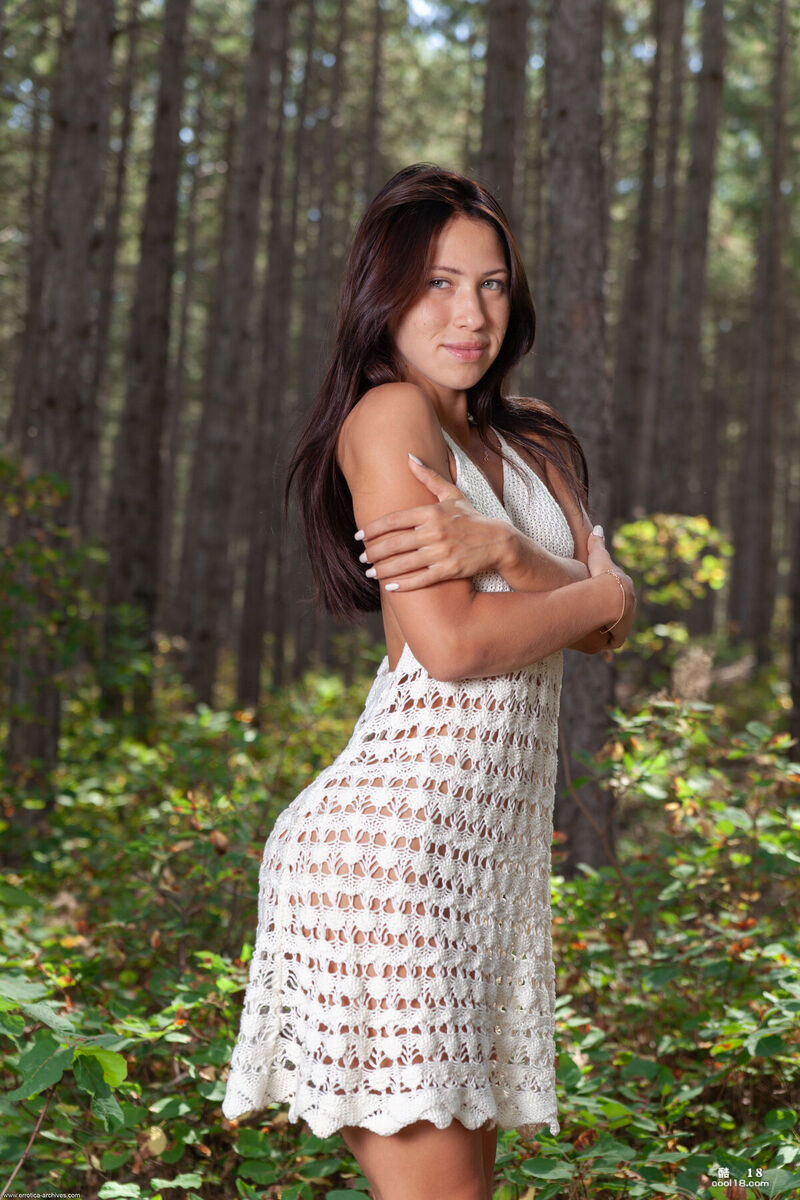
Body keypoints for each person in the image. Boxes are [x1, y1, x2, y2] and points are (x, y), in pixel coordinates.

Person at [221, 163, 636, 1200]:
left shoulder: (532, 438)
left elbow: (606, 628)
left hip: (475, 873)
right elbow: (456, 645)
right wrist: (591, 592)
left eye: (491, 284)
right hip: (389, 863)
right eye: (438, 284)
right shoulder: (388, 416)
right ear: (385, 295)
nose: (471, 314)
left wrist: (512, 554)